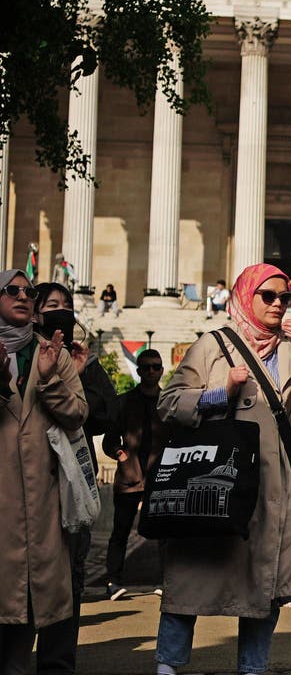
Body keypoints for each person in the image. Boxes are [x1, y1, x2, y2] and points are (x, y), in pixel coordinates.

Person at [154, 263, 291, 675]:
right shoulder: (213, 344)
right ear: (244, 296)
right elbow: (169, 403)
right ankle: (168, 665)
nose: (278, 304)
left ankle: (252, 669)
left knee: (264, 583)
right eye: (268, 296)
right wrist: (220, 393)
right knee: (193, 575)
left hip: (270, 487)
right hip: (215, 480)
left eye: (285, 298)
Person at [0, 270, 88, 675]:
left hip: (44, 507)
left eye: (29, 291)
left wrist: (51, 378)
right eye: (12, 290)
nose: (23, 296)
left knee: (37, 608)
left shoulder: (53, 353)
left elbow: (78, 415)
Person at [33, 281, 119, 675]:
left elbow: (105, 416)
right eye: (52, 306)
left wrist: (79, 373)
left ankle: (57, 663)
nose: (61, 313)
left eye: (67, 306)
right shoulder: (24, 354)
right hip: (31, 483)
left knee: (71, 576)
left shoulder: (85, 361)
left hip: (72, 487)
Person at [101, 349, 167, 600]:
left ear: (161, 370)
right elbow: (109, 440)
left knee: (163, 533)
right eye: (146, 367)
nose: (151, 371)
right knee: (120, 531)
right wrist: (122, 456)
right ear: (139, 371)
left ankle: (165, 581)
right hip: (129, 478)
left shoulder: (167, 401)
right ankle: (113, 581)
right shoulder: (124, 402)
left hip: (159, 477)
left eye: (156, 366)